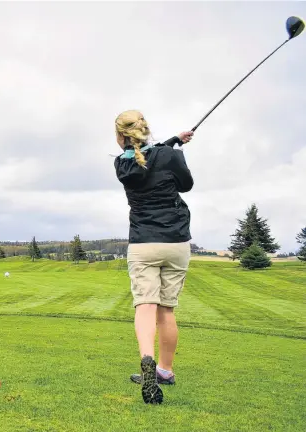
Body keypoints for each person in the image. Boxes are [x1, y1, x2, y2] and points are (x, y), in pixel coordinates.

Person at [113, 110, 194, 405]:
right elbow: (185, 184)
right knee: (167, 311)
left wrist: (174, 140)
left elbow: (146, 157)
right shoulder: (169, 156)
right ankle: (165, 371)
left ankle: (146, 359)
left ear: (120, 136)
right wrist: (173, 148)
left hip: (143, 243)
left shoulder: (121, 164)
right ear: (146, 129)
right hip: (175, 242)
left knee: (145, 306)